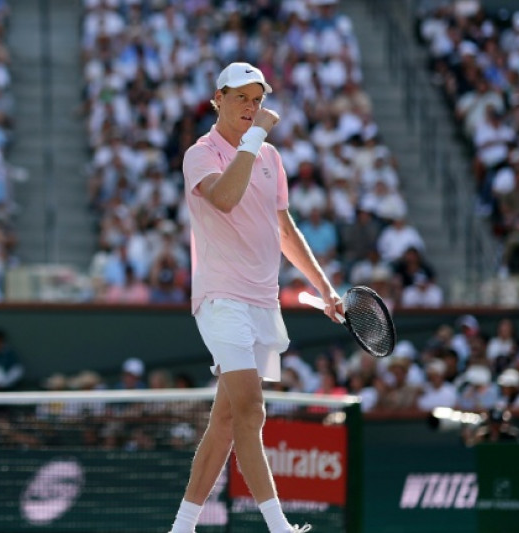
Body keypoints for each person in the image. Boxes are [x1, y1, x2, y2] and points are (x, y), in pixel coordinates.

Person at [169, 62, 335, 533]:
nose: (250, 106)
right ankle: (277, 526)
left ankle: (182, 528)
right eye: (240, 96)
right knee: (252, 409)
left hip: (265, 303)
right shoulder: (200, 154)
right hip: (221, 300)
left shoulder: (270, 158)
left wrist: (325, 289)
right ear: (216, 100)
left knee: (225, 423)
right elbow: (223, 198)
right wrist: (255, 137)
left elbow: (284, 229)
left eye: (257, 98)